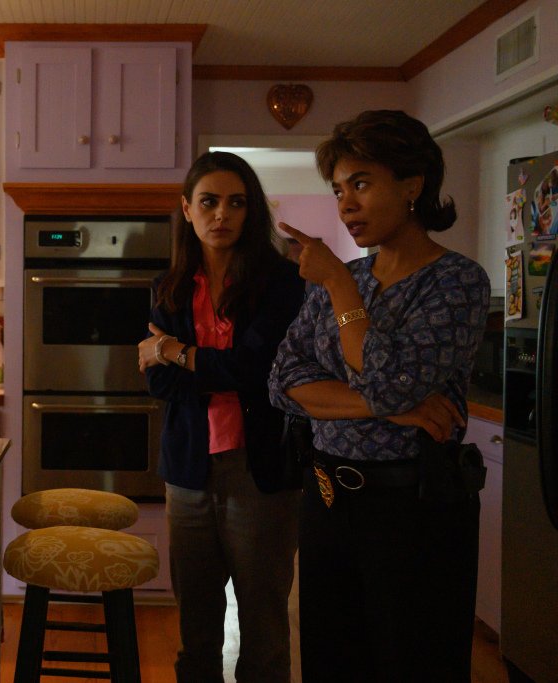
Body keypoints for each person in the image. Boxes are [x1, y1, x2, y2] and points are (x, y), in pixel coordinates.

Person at [268, 109, 490, 682]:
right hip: (326, 498)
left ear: (412, 185)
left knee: (412, 662)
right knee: (330, 661)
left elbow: (388, 378)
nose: (346, 204)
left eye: (361, 184)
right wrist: (397, 406)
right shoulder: (348, 274)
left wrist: (340, 284)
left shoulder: (456, 281)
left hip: (414, 507)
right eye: (339, 190)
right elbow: (283, 381)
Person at [138, 151, 305, 682]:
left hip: (261, 471)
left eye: (237, 203)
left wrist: (176, 352)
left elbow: (258, 369)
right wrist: (205, 365)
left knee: (263, 631)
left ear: (251, 211)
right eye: (209, 202)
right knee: (197, 632)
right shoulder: (168, 287)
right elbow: (160, 383)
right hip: (188, 471)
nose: (222, 215)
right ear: (187, 209)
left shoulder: (282, 282)